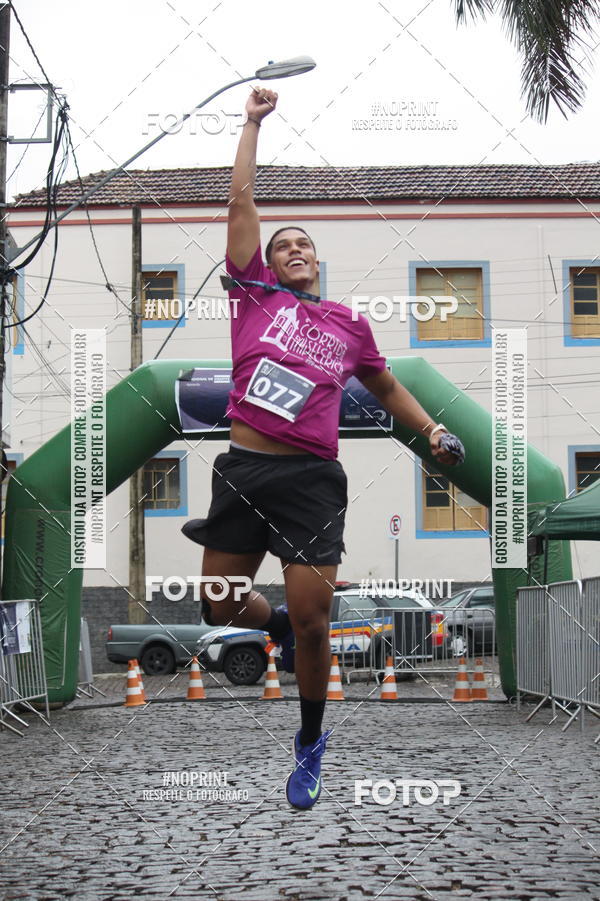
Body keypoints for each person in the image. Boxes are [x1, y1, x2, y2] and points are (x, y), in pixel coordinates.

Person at [182, 87, 463, 810]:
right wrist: (250, 125)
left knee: (314, 618)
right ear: (267, 265)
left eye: (304, 243)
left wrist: (430, 429)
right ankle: (266, 620)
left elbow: (388, 385)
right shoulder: (253, 299)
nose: (294, 249)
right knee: (217, 605)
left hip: (311, 478)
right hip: (244, 472)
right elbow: (241, 201)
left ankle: (309, 743)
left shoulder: (348, 324)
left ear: (318, 261)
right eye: (283, 245)